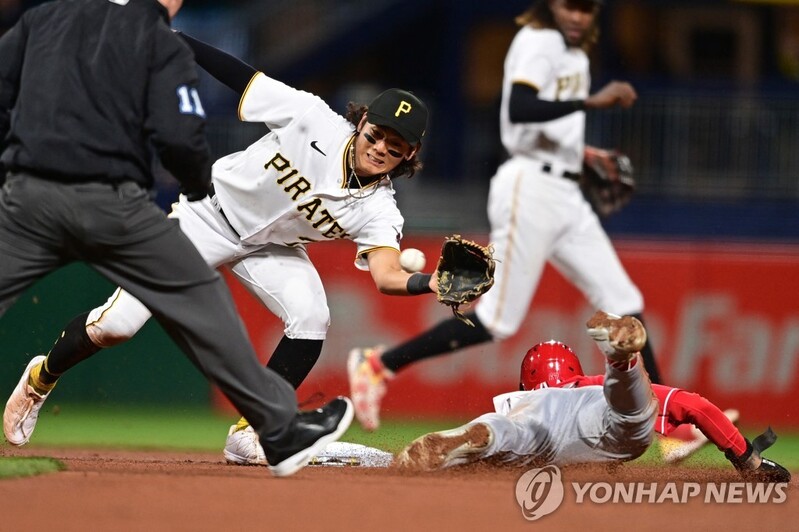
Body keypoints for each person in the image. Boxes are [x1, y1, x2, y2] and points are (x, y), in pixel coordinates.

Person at [3, 27, 441, 466]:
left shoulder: (380, 208)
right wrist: (173, 38)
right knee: (116, 327)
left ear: (410, 153)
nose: (380, 147)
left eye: (395, 145)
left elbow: (387, 275)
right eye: (376, 134)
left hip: (271, 248)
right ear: (362, 122)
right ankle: (42, 377)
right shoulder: (313, 118)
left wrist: (431, 281)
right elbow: (243, 78)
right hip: (206, 218)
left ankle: (251, 433)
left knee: (312, 317)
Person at [348, 0, 661, 432]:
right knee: (497, 320)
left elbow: (548, 126)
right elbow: (520, 108)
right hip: (529, 188)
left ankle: (668, 425)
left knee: (626, 303)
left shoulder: (573, 55)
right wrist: (592, 100)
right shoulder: (539, 40)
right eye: (569, 6)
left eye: (586, 10)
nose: (577, 16)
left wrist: (581, 154)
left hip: (565, 190)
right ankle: (379, 364)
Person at [396, 312, 792, 484]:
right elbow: (698, 407)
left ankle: (471, 434)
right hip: (594, 416)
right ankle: (625, 362)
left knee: (503, 434)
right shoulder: (587, 387)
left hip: (533, 424)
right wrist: (748, 462)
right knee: (630, 410)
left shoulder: (524, 400)